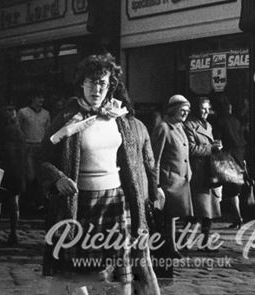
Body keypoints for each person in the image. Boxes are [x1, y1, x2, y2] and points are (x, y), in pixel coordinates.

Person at [39, 53, 164, 294]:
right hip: (80, 202)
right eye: (91, 82)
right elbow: (42, 158)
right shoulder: (66, 119)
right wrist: (58, 178)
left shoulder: (119, 118)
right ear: (81, 84)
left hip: (116, 200)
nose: (97, 88)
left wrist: (148, 193)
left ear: (110, 86)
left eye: (103, 83)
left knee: (122, 272)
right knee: (79, 272)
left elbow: (133, 163)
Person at [151, 94, 194, 255]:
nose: (185, 113)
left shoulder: (181, 127)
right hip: (169, 181)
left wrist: (189, 171)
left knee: (178, 215)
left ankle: (175, 244)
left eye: (187, 111)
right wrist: (155, 184)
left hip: (182, 179)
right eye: (182, 110)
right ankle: (170, 247)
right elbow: (156, 158)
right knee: (169, 216)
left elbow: (185, 152)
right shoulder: (163, 127)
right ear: (173, 110)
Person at [184, 96, 223, 244]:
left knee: (209, 212)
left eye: (208, 108)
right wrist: (210, 148)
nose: (206, 111)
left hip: (209, 171)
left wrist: (216, 146)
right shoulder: (189, 125)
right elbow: (191, 149)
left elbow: (208, 145)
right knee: (197, 211)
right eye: (203, 108)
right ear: (196, 108)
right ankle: (188, 241)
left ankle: (204, 240)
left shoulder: (208, 125)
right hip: (197, 172)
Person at [0, 104, 25, 245]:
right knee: (13, 202)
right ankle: (13, 232)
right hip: (15, 168)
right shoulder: (18, 131)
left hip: (1, 167)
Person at [211, 96, 245, 227]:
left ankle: (237, 217)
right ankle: (237, 217)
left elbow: (217, 141)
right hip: (238, 157)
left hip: (227, 158)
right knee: (234, 189)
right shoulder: (236, 121)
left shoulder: (219, 121)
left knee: (228, 189)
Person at [17, 93, 50, 211]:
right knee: (29, 175)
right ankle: (27, 202)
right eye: (38, 97)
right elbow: (18, 129)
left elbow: (48, 131)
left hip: (41, 147)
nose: (41, 99)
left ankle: (40, 203)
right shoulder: (23, 112)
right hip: (28, 147)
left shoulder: (46, 113)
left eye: (42, 97)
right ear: (32, 98)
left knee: (41, 175)